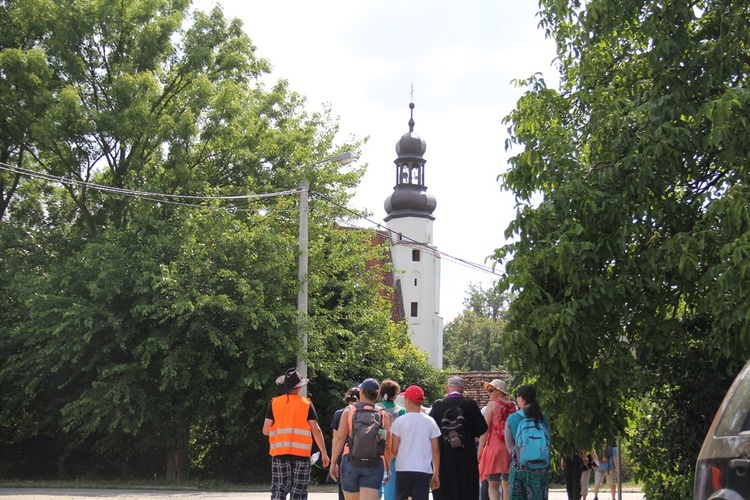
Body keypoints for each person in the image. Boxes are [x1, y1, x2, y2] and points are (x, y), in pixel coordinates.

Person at [262, 367, 330, 500]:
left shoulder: (274, 403)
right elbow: (316, 430)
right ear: (299, 387)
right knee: (298, 489)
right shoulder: (306, 404)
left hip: (279, 453)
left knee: (279, 488)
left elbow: (265, 430)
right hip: (301, 455)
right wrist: (324, 453)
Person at [330, 378, 393, 500]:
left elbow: (340, 437)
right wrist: (388, 467)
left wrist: (333, 462)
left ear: (361, 391)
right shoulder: (383, 415)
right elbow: (387, 445)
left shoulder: (349, 410)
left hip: (350, 461)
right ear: (377, 394)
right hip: (374, 463)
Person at [429, 375, 488, 500]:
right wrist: (470, 434)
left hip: (444, 455)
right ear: (463, 389)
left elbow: (430, 429)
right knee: (466, 487)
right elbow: (483, 427)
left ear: (447, 389)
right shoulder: (470, 404)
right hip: (466, 454)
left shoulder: (438, 405)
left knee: (446, 489)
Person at [390, 385, 441, 500]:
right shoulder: (430, 422)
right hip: (423, 469)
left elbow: (394, 450)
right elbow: (435, 450)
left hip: (403, 468)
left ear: (407, 400)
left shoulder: (399, 422)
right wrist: (436, 473)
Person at [504, 385, 550, 500]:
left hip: (519, 466)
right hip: (541, 467)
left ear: (521, 398)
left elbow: (509, 446)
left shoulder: (512, 418)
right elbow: (548, 441)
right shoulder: (543, 418)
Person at [478, 379, 517, 500]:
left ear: (499, 392)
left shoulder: (492, 405)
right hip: (510, 449)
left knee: (493, 484)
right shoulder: (514, 406)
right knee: (507, 485)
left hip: (493, 449)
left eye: (491, 390)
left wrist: (480, 449)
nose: (488, 393)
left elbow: (485, 430)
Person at [377, 379, 407, 500]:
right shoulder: (401, 411)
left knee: (375, 490)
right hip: (394, 452)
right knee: (391, 491)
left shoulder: (375, 408)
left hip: (377, 453)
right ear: (396, 394)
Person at [331, 387, 361, 500]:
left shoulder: (339, 413)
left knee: (343, 487)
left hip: (342, 453)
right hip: (360, 452)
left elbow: (336, 437)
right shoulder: (363, 412)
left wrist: (333, 459)